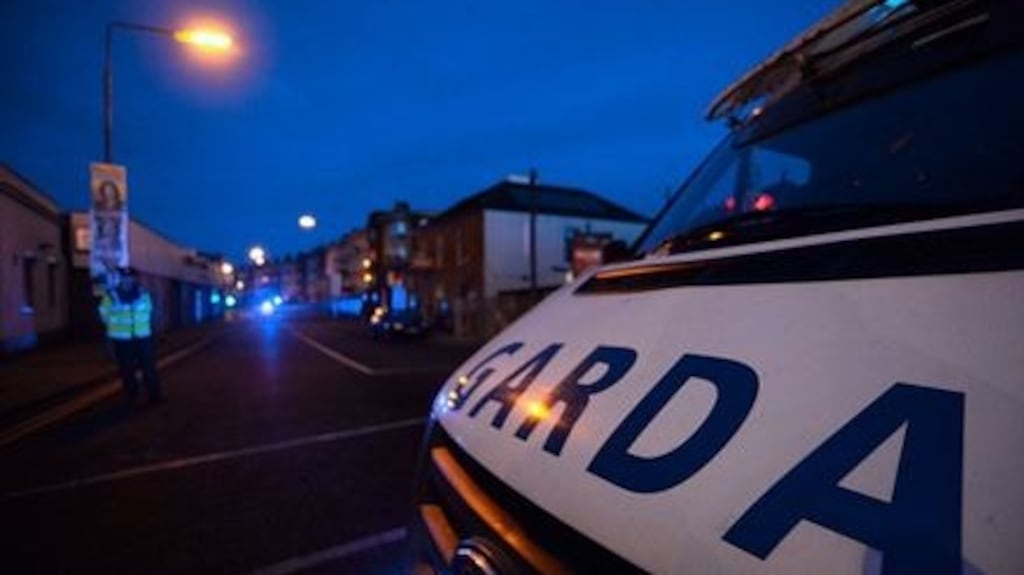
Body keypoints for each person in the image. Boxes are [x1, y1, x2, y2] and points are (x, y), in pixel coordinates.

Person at [98, 268, 164, 405]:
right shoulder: (111, 296)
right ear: (120, 279)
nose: (128, 281)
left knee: (149, 368)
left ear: (135, 279)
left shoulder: (143, 294)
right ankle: (131, 397)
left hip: (142, 337)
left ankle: (155, 396)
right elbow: (103, 315)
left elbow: (150, 312)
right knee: (126, 369)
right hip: (122, 339)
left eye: (131, 278)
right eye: (125, 278)